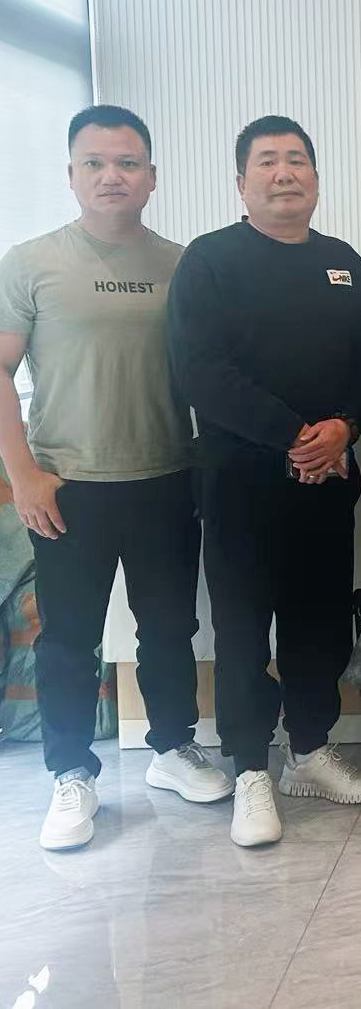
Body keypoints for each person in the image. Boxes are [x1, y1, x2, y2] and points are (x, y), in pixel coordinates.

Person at [0, 105, 232, 851]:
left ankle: (172, 747)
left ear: (151, 177)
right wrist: (23, 475)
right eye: (95, 163)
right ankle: (72, 771)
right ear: (71, 175)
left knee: (169, 630)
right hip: (66, 486)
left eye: (127, 163)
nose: (112, 176)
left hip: (166, 476)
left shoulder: (184, 265)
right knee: (69, 638)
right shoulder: (31, 261)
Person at [167, 115, 361, 847]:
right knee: (240, 628)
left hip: (326, 483)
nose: (284, 172)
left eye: (297, 160)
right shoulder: (210, 261)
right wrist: (295, 435)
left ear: (316, 180)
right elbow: (201, 372)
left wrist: (344, 428)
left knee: (317, 621)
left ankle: (309, 751)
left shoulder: (343, 263)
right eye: (267, 161)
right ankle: (249, 770)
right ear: (242, 182)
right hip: (240, 486)